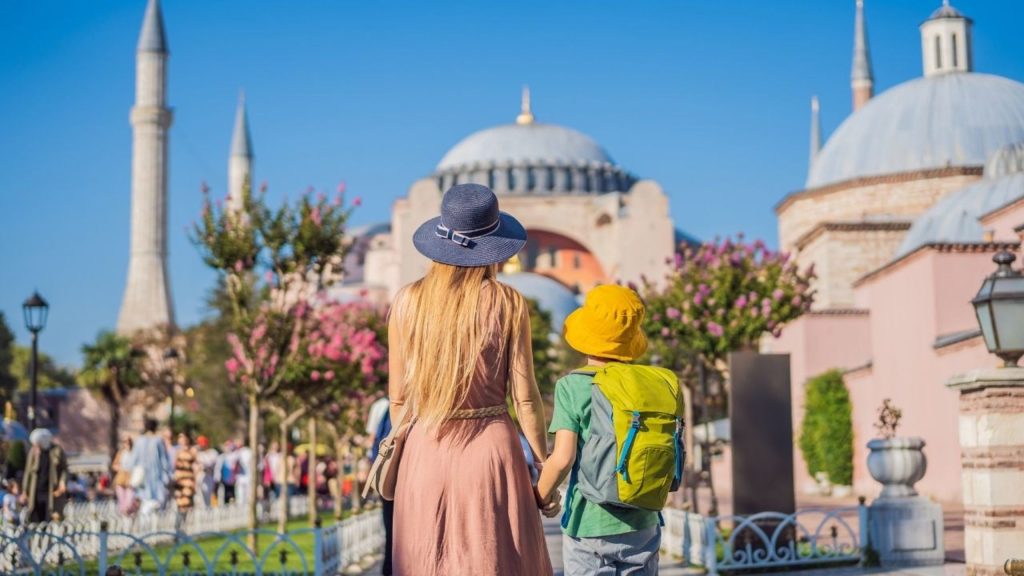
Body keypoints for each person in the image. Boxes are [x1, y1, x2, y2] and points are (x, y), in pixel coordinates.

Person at [389, 184, 555, 575]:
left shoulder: (407, 302)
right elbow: (525, 398)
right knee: (494, 557)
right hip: (491, 451)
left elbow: (398, 399)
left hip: (424, 449)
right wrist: (543, 465)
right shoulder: (507, 302)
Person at [537, 285, 683, 576]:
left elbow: (563, 458)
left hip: (589, 524)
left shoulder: (573, 385)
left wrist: (541, 496)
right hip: (644, 521)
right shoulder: (652, 384)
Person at [125, 418, 172, 515]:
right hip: (156, 477)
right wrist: (168, 474)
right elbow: (164, 461)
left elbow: (132, 461)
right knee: (156, 503)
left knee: (145, 501)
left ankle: (146, 519)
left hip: (143, 478)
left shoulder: (139, 441)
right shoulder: (158, 441)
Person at [22, 428, 68, 523]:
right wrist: (25, 490)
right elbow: (28, 472)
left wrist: (62, 482)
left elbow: (64, 469)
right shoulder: (33, 452)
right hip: (36, 491)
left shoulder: (56, 450)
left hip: (51, 491)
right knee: (35, 517)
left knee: (50, 517)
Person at [370, 402, 395, 576]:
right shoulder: (381, 407)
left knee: (391, 531)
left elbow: (374, 441)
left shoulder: (380, 406)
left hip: (388, 475)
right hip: (397, 474)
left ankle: (389, 568)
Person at [173, 433, 197, 513]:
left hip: (188, 480)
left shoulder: (192, 451)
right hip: (179, 480)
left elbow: (195, 466)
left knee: (187, 502)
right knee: (179, 502)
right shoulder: (177, 451)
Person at [111, 437, 135, 515]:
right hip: (121, 479)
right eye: (125, 442)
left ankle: (129, 512)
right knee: (122, 500)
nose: (127, 444)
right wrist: (120, 468)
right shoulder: (121, 453)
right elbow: (114, 465)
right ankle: (124, 514)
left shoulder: (134, 453)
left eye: (128, 442)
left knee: (129, 500)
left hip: (130, 479)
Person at [194, 436, 218, 508]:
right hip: (199, 477)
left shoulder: (213, 452)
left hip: (209, 476)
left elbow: (210, 463)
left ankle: (207, 511)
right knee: (198, 498)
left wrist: (201, 465)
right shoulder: (198, 453)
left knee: (207, 498)